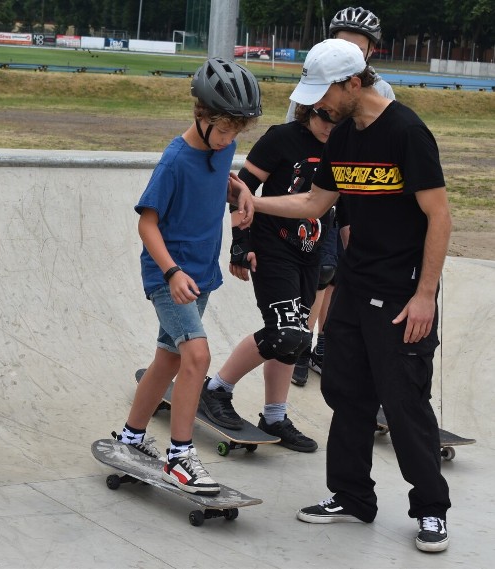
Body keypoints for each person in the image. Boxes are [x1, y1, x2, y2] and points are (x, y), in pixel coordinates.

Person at [254, 39, 452, 553]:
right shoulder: (342, 136)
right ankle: (352, 497)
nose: (317, 104)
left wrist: (425, 294)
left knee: (404, 401)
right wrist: (255, 203)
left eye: (325, 93)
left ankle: (431, 509)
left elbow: (439, 216)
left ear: (353, 83)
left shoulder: (407, 133)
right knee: (346, 393)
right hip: (356, 283)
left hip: (403, 290)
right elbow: (317, 202)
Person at [115, 58, 261, 494]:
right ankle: (180, 456)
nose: (230, 139)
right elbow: (147, 224)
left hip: (201, 274)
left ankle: (131, 438)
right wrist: (172, 272)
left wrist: (240, 191)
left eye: (237, 132)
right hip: (170, 277)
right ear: (201, 115)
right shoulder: (175, 160)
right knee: (196, 356)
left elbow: (220, 180)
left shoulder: (223, 146)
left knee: (169, 357)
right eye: (224, 130)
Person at [199, 103, 337, 453]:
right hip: (272, 247)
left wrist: (335, 256)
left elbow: (340, 207)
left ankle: (274, 417)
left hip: (312, 252)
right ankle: (216, 389)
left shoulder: (342, 148)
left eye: (339, 120)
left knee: (297, 338)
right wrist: (240, 244)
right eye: (324, 117)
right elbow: (240, 189)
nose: (329, 127)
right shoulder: (282, 138)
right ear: (309, 109)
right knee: (285, 331)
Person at [289, 5, 396, 386]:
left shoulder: (380, 90)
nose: (348, 49)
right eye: (341, 42)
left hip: (357, 192)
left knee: (340, 275)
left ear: (369, 52)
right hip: (319, 187)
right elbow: (294, 130)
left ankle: (325, 346)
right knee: (319, 270)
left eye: (357, 44)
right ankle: (301, 344)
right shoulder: (317, 79)